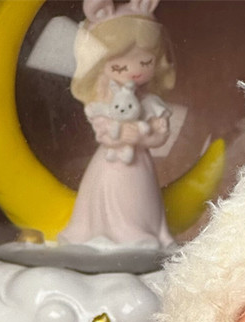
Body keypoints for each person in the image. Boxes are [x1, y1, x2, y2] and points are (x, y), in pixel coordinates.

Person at [59, 0, 175, 248]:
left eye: (146, 63)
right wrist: (121, 135)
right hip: (111, 165)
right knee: (115, 199)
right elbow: (103, 134)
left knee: (141, 200)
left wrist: (142, 138)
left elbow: (160, 135)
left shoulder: (150, 103)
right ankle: (118, 235)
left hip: (139, 164)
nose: (135, 71)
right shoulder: (103, 104)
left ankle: (143, 233)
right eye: (120, 66)